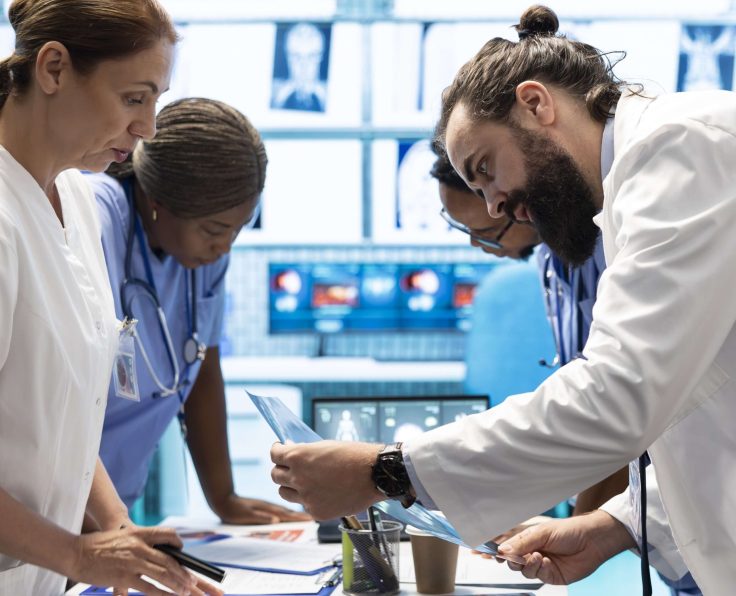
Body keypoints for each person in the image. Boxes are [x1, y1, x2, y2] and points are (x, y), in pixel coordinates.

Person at [270, 4, 735, 592]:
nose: (493, 208)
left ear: (536, 104)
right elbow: (711, 403)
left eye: (486, 170)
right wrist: (617, 526)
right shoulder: (629, 193)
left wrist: (387, 470)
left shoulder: (681, 147)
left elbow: (621, 395)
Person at [0, 1, 220, 594]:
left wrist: (121, 533)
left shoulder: (76, 198)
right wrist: (79, 555)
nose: (149, 126)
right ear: (52, 69)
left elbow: (67, 426)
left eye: (156, 101)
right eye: (133, 98)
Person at [432, 138, 699, 596]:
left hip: (689, 492)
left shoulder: (612, 249)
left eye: (483, 233)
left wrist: (577, 532)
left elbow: (613, 410)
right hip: (658, 514)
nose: (482, 248)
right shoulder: (549, 260)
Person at [89, 97, 312, 526]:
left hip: (112, 506)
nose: (225, 246)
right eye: (213, 230)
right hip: (50, 504)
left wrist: (223, 498)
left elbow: (203, 365)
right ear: (156, 198)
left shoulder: (203, 260)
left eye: (237, 229)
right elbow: (63, 397)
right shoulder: (95, 220)